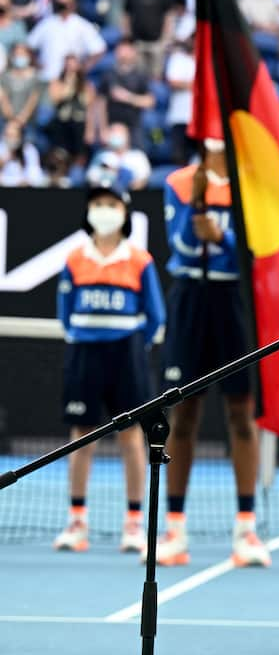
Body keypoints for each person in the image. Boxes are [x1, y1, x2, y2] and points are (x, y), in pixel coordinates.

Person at [156, 139, 270, 569]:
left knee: (242, 413)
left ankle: (246, 529)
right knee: (181, 414)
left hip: (234, 302)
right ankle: (175, 528)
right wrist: (197, 206)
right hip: (189, 299)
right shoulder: (180, 183)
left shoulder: (250, 185)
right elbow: (182, 246)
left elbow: (256, 250)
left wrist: (221, 235)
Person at [53, 184, 165, 553]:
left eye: (111, 204)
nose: (104, 210)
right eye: (97, 204)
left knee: (131, 435)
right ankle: (77, 520)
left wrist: (133, 342)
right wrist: (82, 333)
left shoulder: (139, 260)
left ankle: (133, 523)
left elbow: (155, 314)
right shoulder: (74, 259)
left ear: (124, 211)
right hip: (85, 354)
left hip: (126, 354)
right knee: (81, 435)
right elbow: (65, 311)